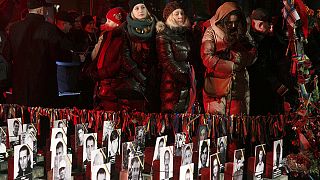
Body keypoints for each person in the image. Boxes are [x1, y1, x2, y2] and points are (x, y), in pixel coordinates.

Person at [3, 0, 65, 107]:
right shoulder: (49, 29)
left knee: (22, 119)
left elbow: (6, 55)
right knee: (42, 120)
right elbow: (58, 54)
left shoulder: (15, 28)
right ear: (41, 10)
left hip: (20, 87)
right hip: (43, 87)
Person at [201, 1, 257, 115]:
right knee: (217, 125)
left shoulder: (243, 33)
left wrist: (242, 58)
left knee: (238, 122)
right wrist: (230, 65)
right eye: (229, 22)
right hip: (217, 85)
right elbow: (207, 57)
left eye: (235, 22)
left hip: (239, 85)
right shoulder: (211, 32)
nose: (232, 26)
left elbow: (253, 52)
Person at [118, 0, 160, 112]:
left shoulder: (157, 26)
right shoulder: (125, 28)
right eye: (137, 8)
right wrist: (139, 75)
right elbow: (124, 55)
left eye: (143, 7)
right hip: (132, 79)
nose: (140, 10)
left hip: (154, 77)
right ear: (132, 11)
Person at [156, 1, 195, 113]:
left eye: (182, 13)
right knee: (172, 115)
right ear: (169, 16)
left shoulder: (187, 34)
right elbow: (166, 60)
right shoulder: (163, 34)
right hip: (172, 83)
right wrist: (182, 76)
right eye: (176, 13)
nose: (180, 16)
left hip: (188, 81)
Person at [90, 7, 127, 111]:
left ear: (118, 23)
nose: (106, 24)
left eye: (110, 21)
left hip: (112, 84)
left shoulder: (120, 39)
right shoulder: (106, 36)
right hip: (103, 83)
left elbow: (119, 62)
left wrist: (102, 73)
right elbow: (95, 56)